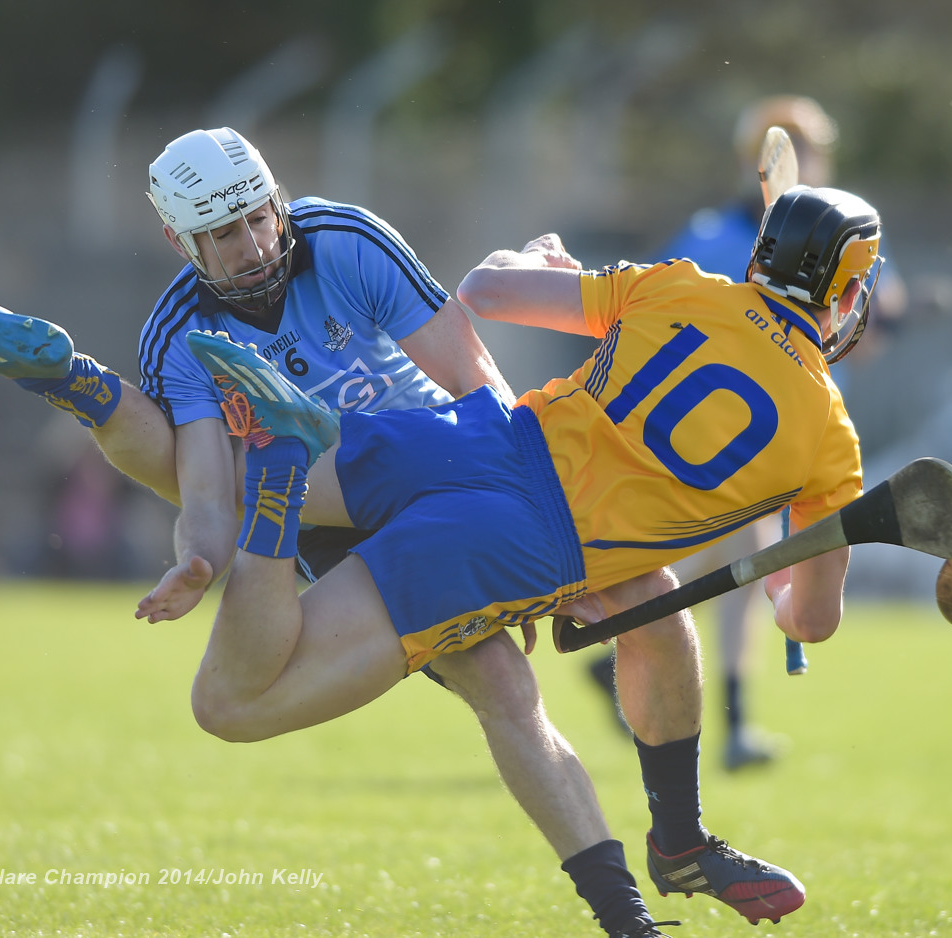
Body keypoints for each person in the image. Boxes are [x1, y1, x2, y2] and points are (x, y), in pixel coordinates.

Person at [0, 127, 670, 938]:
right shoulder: (179, 330)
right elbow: (199, 484)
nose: (254, 244)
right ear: (178, 240)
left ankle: (87, 389)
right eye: (224, 235)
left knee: (496, 685)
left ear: (277, 197)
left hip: (434, 465)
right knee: (495, 688)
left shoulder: (347, 239)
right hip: (330, 510)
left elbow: (478, 382)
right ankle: (81, 386)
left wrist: (513, 532)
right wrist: (196, 557)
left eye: (260, 216)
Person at [137, 183, 885, 930]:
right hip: (525, 542)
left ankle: (100, 396)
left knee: (652, 616)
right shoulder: (831, 445)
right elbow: (811, 623)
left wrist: (540, 258)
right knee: (230, 706)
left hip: (470, 436)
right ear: (849, 292)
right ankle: (650, 888)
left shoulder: (680, 284)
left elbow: (485, 289)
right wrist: (779, 593)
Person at [587, 95, 907, 771]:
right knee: (747, 553)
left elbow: (874, 317)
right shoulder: (711, 237)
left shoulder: (841, 229)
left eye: (806, 145)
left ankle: (664, 655)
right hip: (729, 436)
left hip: (803, 437)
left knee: (745, 562)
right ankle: (669, 656)